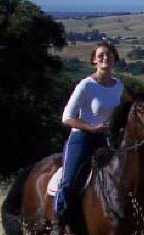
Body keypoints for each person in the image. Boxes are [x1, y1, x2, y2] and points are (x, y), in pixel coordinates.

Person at [53, 42, 124, 234]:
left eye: (109, 55)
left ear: (114, 60)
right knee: (68, 181)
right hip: (81, 139)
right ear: (94, 60)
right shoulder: (86, 85)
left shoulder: (118, 86)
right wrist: (91, 128)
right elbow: (67, 117)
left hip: (104, 140)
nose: (105, 58)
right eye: (100, 55)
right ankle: (59, 221)